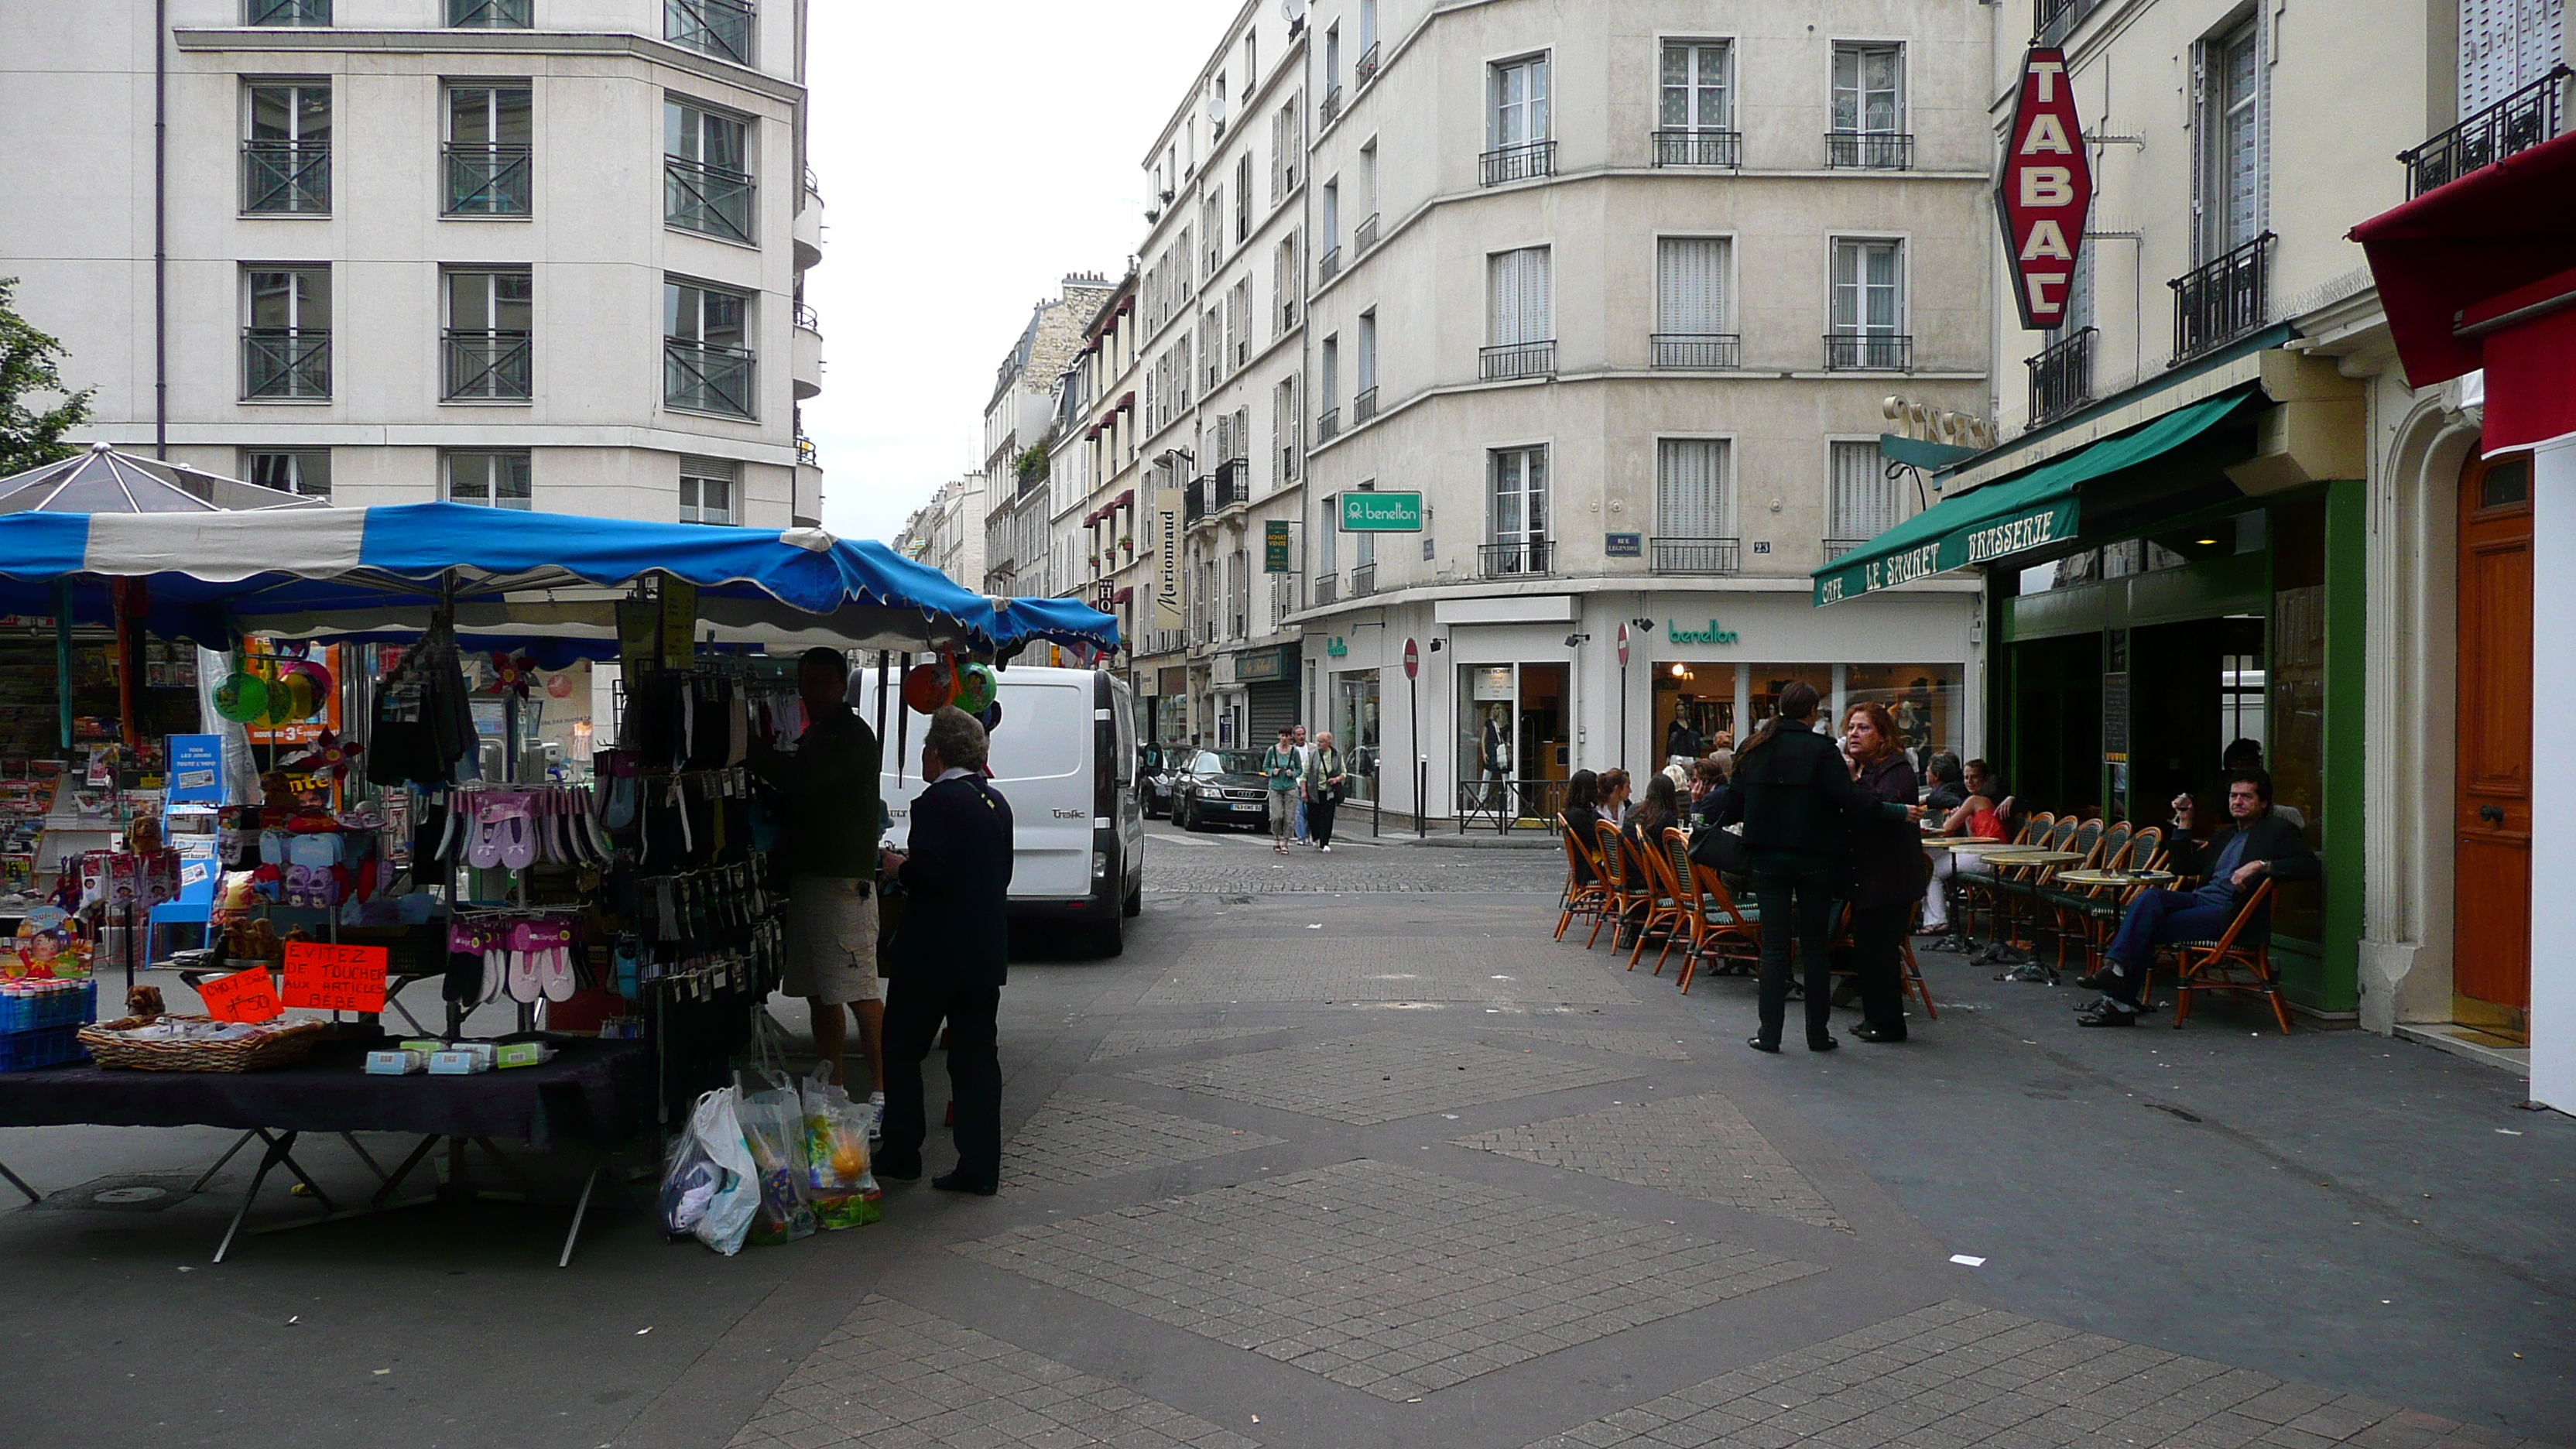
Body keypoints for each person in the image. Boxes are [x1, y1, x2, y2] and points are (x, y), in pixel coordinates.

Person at [1718, 683, 1912, 1053]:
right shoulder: (1822, 751)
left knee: (1774, 948)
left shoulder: (1755, 749)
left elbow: (1734, 805)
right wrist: (1896, 811)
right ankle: (1817, 1035)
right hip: (1815, 860)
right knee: (1815, 948)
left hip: (1767, 861)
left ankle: (1769, 1034)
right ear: (1810, 713)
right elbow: (1849, 800)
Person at [875, 706, 1015, 1194]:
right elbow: (1000, 873)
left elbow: (930, 872)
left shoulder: (936, 802)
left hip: (932, 954)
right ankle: (980, 1166)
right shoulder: (996, 802)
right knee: (976, 1061)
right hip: (982, 953)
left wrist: (899, 868)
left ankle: (901, 1150)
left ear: (936, 754)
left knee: (900, 1048)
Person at [746, 647, 886, 1126]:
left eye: (819, 681)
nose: (808, 690)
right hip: (811, 879)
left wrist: (750, 748)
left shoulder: (849, 737)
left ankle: (887, 1091)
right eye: (804, 681)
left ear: (839, 685)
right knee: (821, 993)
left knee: (857, 989)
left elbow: (801, 783)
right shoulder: (821, 734)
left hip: (842, 882)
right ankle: (835, 1088)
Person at [2077, 767, 2319, 1027]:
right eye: (2234, 796)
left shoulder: (2277, 830)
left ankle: (2118, 996)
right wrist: (2185, 821)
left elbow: (2308, 866)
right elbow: (2182, 867)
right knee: (2150, 900)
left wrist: (2260, 865)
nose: (2237, 802)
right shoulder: (2225, 835)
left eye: (2246, 797)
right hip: (2201, 901)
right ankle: (2116, 975)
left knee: (2147, 924)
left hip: (2232, 914)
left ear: (2264, 803)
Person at [1839, 702, 1923, 1043]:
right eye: (1851, 728)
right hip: (1868, 874)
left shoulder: (1897, 770)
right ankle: (1874, 1017)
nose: (1854, 734)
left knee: (1882, 951)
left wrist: (1856, 780)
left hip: (1890, 877)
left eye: (1863, 728)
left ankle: (1888, 1023)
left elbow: (1878, 811)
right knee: (1867, 950)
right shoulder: (1870, 769)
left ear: (1883, 735)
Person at [1618, 773, 1683, 948]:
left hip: (1629, 873)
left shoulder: (1633, 811)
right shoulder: (1666, 817)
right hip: (1652, 878)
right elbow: (1670, 855)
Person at [1260, 727, 1300, 855]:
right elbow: (1265, 767)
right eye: (1282, 736)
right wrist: (1272, 772)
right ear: (1278, 736)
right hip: (1275, 787)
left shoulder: (1294, 752)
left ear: (1290, 737)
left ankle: (1286, 843)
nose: (1284, 739)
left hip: (1290, 787)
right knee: (1276, 816)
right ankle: (1276, 838)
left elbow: (1300, 769)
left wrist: (1293, 774)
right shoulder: (1272, 751)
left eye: (1287, 736)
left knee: (1289, 817)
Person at [1305, 730, 1347, 851]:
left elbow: (1344, 772)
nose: (1318, 744)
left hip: (1329, 792)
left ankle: (1325, 842)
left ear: (1328, 743)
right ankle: (1316, 837)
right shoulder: (1312, 755)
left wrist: (1337, 779)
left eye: (1321, 742)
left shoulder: (1336, 756)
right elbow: (1305, 772)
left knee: (1327, 817)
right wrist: (1304, 790)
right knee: (1313, 817)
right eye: (1318, 741)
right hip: (1314, 791)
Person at [1560, 769, 1605, 881]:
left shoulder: (1573, 813)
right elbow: (1601, 841)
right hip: (1590, 870)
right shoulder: (1582, 816)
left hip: (1583, 866)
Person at [1290, 724, 1315, 844]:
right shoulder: (1291, 750)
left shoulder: (1312, 748)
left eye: (1303, 734)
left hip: (1310, 785)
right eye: (1299, 734)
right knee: (1298, 812)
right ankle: (1301, 838)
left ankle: (1308, 833)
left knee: (1309, 811)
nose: (1301, 736)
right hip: (1295, 785)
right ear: (1294, 736)